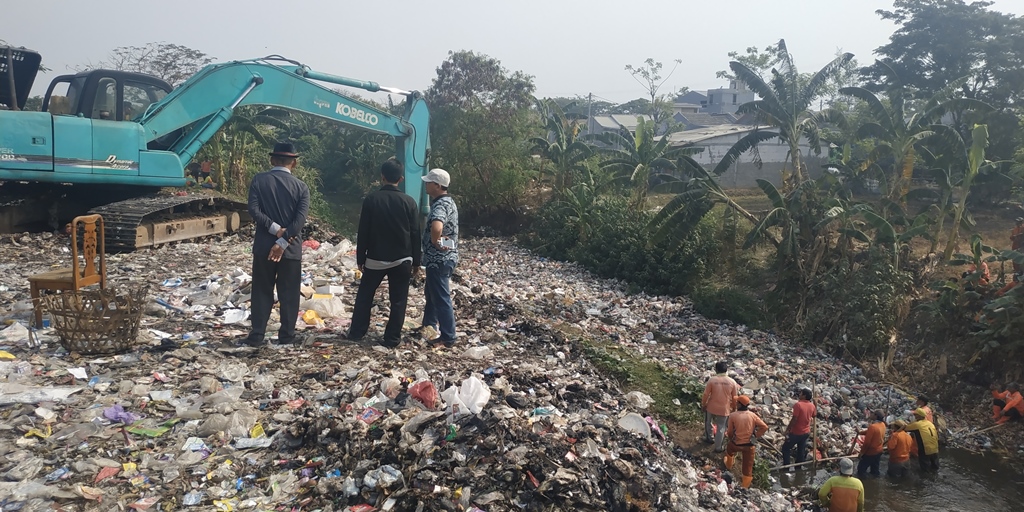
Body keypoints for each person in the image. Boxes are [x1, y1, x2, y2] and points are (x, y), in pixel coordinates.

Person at [347, 158, 421, 348]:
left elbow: (363, 230)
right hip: (402, 259)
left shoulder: (372, 200)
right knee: (398, 300)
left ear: (382, 177)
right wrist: (417, 262)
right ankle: (392, 339)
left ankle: (357, 332)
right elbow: (415, 233)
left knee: (365, 295)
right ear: (401, 179)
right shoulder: (409, 202)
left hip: (375, 259)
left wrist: (360, 258)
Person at [244, 142, 309, 347]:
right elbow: (299, 222)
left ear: (272, 160)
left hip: (264, 247)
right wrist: (282, 241)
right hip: (290, 250)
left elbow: (253, 210)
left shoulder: (259, 181)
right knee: (289, 293)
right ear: (294, 163)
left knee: (262, 290)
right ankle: (287, 336)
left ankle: (257, 335)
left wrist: (274, 230)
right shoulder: (301, 187)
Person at [420, 168, 459, 346]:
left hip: (439, 260)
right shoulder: (449, 202)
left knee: (441, 297)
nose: (426, 184)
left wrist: (436, 242)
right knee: (432, 293)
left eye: (429, 182)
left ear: (437, 185)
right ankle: (428, 326)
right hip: (445, 257)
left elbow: (437, 226)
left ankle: (448, 337)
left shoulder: (441, 205)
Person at [724, 395, 768, 489]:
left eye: (737, 402)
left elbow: (730, 432)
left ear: (739, 404)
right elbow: (764, 427)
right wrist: (756, 435)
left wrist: (731, 438)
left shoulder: (733, 416)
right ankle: (744, 487)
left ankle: (729, 465)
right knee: (748, 467)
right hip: (749, 445)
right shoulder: (752, 415)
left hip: (736, 444)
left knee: (729, 449)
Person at [702, 361, 740, 452]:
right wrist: (734, 408)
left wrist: (703, 404)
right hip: (724, 409)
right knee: (721, 428)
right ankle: (718, 447)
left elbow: (705, 394)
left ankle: (709, 438)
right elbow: (734, 398)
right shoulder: (732, 382)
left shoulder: (712, 380)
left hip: (711, 407)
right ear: (726, 370)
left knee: (708, 422)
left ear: (716, 370)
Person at [781, 387, 816, 469]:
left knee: (785, 448)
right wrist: (815, 405)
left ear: (804, 396)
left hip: (796, 432)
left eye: (801, 393)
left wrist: (787, 430)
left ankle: (786, 467)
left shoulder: (798, 405)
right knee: (801, 450)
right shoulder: (812, 406)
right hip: (806, 432)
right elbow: (814, 415)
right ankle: (798, 468)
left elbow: (794, 419)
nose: (799, 394)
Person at [902, 408, 939, 472]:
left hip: (925, 448)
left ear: (919, 416)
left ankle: (925, 479)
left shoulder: (917, 424)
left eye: (915, 415)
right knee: (934, 467)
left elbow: (905, 428)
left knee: (925, 468)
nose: (915, 417)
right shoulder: (930, 423)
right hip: (935, 448)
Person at [857, 411, 886, 478]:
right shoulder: (882, 425)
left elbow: (867, 443)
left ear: (876, 416)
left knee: (861, 470)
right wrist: (860, 432)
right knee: (875, 471)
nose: (871, 414)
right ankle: (875, 484)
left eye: (872, 413)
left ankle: (864, 484)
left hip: (870, 452)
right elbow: (871, 432)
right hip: (879, 451)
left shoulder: (873, 427)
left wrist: (861, 453)